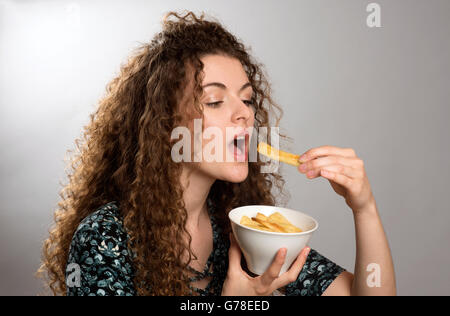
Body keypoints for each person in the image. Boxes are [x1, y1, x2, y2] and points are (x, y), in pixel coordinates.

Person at [38, 10, 396, 296]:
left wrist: (363, 207)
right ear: (163, 125)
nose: (243, 113)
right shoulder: (104, 237)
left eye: (247, 98)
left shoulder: (246, 231)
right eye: (214, 100)